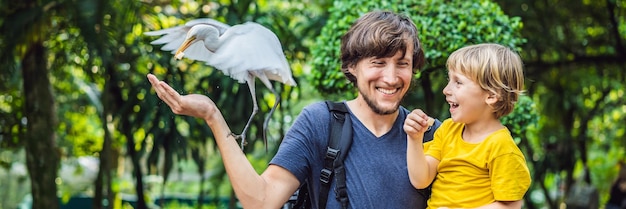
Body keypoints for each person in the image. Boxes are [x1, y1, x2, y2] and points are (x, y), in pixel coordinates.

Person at [147, 10, 441, 209]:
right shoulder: (321, 123)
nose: (391, 78)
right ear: (352, 66)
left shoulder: (433, 134)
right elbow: (262, 202)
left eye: (402, 64)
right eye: (378, 63)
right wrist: (212, 115)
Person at [404, 43, 532, 209]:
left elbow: (511, 205)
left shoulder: (502, 147)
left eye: (458, 82)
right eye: (449, 80)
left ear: (491, 95)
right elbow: (421, 180)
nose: (446, 90)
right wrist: (414, 139)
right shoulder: (447, 130)